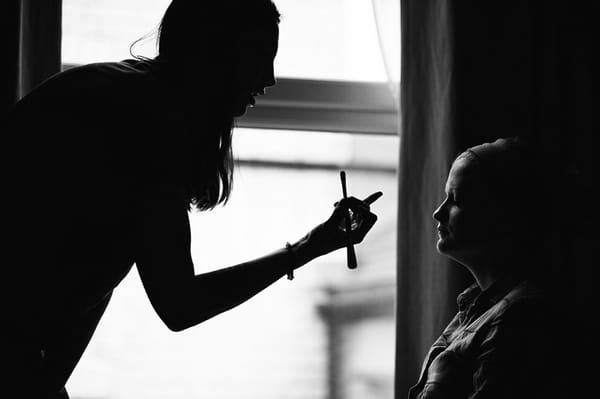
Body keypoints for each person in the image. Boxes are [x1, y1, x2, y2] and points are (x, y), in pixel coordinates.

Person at [2, 1, 382, 397]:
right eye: (259, 58)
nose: (269, 79)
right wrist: (306, 248)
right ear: (216, 54)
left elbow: (98, 276)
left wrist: (48, 382)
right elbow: (179, 304)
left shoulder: (127, 93)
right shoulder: (148, 127)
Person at [409, 137, 564, 398]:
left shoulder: (519, 316)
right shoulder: (475, 308)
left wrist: (438, 384)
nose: (438, 212)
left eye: (455, 199)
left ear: (502, 215)